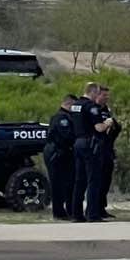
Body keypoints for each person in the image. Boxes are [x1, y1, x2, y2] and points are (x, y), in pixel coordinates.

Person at [67, 82, 102, 222]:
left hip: (78, 142)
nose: (97, 96)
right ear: (92, 92)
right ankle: (92, 214)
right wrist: (108, 123)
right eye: (97, 93)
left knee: (79, 180)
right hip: (89, 143)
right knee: (93, 179)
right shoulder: (91, 106)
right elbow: (99, 127)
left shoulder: (75, 105)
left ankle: (76, 214)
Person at [86, 84, 120, 221]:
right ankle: (92, 210)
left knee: (106, 180)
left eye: (108, 95)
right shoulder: (93, 109)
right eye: (104, 95)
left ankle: (101, 208)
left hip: (107, 148)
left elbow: (114, 127)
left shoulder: (106, 110)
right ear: (97, 95)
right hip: (95, 148)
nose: (107, 98)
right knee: (96, 181)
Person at [44, 93, 78, 221]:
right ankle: (58, 212)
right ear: (69, 104)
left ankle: (68, 210)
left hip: (63, 153)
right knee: (58, 183)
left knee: (68, 183)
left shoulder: (67, 117)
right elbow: (67, 136)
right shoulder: (61, 118)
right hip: (57, 153)